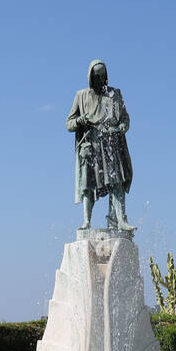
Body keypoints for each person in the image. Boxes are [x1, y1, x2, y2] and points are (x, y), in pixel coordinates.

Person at [67, 60, 133, 231]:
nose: (99, 79)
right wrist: (80, 120)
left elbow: (125, 118)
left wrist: (122, 126)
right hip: (91, 145)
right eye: (96, 75)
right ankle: (87, 221)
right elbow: (69, 123)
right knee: (88, 185)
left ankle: (120, 220)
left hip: (111, 145)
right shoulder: (81, 95)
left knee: (116, 182)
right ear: (90, 76)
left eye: (102, 75)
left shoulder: (115, 94)